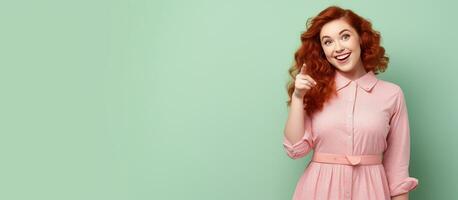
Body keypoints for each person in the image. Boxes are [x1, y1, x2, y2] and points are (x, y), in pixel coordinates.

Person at [283, 6, 419, 200]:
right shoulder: (313, 90)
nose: (338, 48)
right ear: (323, 51)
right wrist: (298, 97)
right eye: (328, 42)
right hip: (318, 191)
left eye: (345, 36)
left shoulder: (392, 94)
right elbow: (295, 149)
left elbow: (398, 167)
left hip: (371, 191)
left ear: (361, 39)